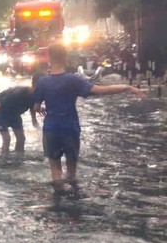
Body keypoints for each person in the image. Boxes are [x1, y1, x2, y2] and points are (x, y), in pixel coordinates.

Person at [33, 44, 145, 194]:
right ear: (65, 57)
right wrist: (128, 88)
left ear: (49, 58)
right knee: (71, 173)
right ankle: (72, 201)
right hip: (70, 129)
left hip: (51, 129)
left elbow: (36, 107)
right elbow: (100, 91)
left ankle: (58, 201)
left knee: (55, 170)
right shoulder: (73, 80)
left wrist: (43, 109)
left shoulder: (42, 82)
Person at [0, 74, 43, 155]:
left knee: (21, 139)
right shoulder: (20, 92)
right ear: (34, 84)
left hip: (14, 114)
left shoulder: (36, 95)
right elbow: (1, 102)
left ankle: (19, 157)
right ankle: (3, 160)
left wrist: (34, 120)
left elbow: (32, 106)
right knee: (7, 139)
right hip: (0, 111)